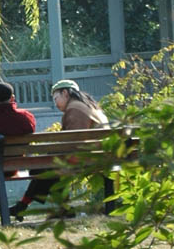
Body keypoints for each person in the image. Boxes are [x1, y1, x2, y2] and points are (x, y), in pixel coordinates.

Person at [9, 79, 108, 221]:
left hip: (87, 158)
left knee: (44, 168)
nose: (55, 103)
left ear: (65, 93)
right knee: (45, 168)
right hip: (97, 155)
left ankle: (27, 206)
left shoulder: (74, 109)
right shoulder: (89, 106)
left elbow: (73, 142)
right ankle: (48, 207)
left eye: (56, 98)